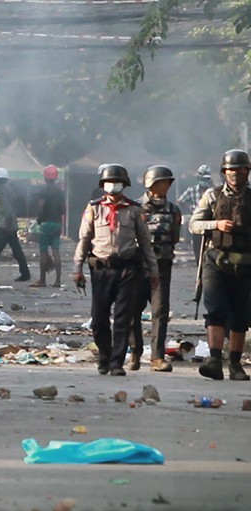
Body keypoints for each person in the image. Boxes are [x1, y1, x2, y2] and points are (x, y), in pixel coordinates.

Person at [73, 164, 158, 376]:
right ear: (103, 185)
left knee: (123, 317)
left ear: (125, 185)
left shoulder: (134, 209)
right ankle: (104, 356)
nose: (113, 186)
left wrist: (153, 270)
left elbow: (145, 242)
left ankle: (117, 362)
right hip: (101, 269)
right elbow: (84, 240)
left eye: (117, 182)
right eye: (109, 182)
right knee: (99, 316)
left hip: (128, 269)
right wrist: (77, 268)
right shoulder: (94, 208)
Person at [189, 149, 251, 381]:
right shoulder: (212, 196)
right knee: (215, 312)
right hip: (216, 260)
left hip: (245, 263)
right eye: (231, 170)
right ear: (224, 172)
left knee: (240, 315)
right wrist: (216, 224)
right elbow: (194, 225)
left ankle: (235, 364)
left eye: (240, 169)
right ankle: (215, 360)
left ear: (247, 171)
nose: (235, 174)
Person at [128, 166, 181, 373]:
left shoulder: (173, 210)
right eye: (162, 182)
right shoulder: (136, 208)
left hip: (162, 266)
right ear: (151, 184)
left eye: (168, 182)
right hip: (138, 266)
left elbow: (174, 237)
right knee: (133, 310)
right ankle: (135, 352)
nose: (166, 186)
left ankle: (157, 357)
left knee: (160, 312)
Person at [0, 167, 30, 282]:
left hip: (5, 225)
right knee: (17, 250)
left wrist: (7, 224)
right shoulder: (8, 190)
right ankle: (25, 273)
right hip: (10, 224)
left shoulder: (2, 190)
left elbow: (7, 208)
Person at [34, 165, 66, 287]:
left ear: (45, 178)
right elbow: (64, 209)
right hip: (57, 223)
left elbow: (41, 207)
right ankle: (57, 281)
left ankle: (42, 280)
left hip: (46, 223)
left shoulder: (43, 192)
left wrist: (39, 219)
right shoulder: (60, 192)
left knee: (43, 251)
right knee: (56, 251)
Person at [179, 164, 214, 262]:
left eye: (207, 179)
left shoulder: (212, 192)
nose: (205, 182)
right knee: (198, 248)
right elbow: (181, 200)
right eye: (203, 179)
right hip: (197, 223)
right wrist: (191, 208)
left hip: (210, 222)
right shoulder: (192, 190)